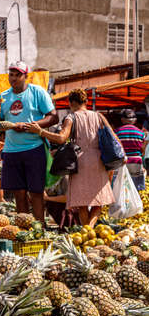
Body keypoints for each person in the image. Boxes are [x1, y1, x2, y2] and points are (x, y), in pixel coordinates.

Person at [26, 88, 115, 228]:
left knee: (82, 203)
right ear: (86, 101)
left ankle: (86, 231)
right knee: (99, 200)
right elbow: (112, 137)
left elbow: (61, 138)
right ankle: (89, 230)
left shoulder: (71, 117)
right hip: (99, 161)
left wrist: (40, 131)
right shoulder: (99, 116)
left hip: (80, 162)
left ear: (71, 102)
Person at [0, 61, 59, 222]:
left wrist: (33, 126)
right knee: (19, 193)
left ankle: (40, 227)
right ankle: (24, 227)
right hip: (11, 151)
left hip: (34, 148)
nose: (13, 78)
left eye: (18, 75)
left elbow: (53, 116)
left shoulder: (37, 92)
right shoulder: (3, 97)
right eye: (11, 75)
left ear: (26, 76)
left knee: (36, 192)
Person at [115, 109, 146, 191]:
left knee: (121, 186)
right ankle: (136, 203)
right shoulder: (141, 133)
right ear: (135, 120)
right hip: (136, 161)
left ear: (122, 119)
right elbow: (143, 148)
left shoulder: (116, 132)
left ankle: (124, 203)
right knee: (136, 188)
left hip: (122, 161)